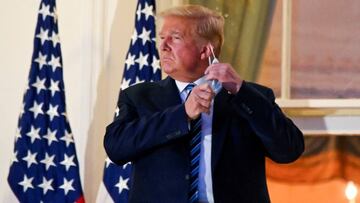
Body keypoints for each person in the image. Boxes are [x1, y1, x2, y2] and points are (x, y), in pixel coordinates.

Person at [104, 4, 304, 203]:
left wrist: (242, 91)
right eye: (162, 37)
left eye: (175, 38)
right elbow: (116, 148)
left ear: (205, 51)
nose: (163, 46)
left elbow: (289, 150)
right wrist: (182, 114)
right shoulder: (139, 96)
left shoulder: (251, 97)